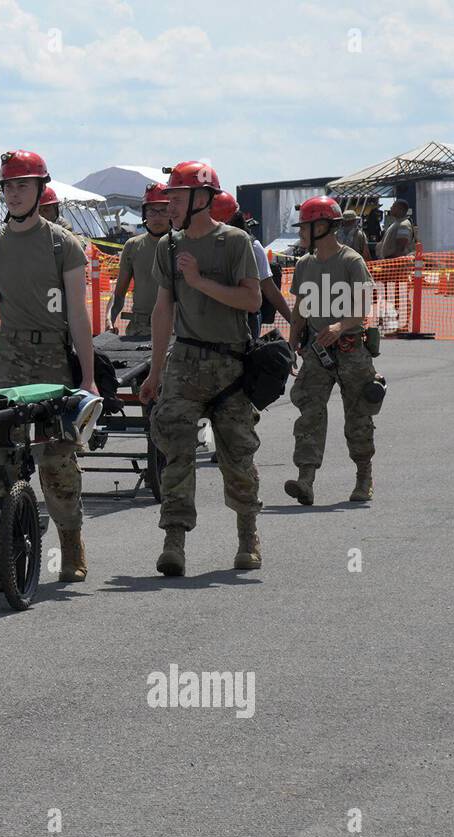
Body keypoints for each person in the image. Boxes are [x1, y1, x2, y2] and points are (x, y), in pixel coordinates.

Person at [0, 148, 97, 583]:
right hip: (8, 359)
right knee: (6, 462)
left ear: (41, 189)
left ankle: (71, 543)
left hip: (54, 361)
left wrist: (89, 379)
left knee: (56, 461)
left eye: (23, 185)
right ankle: (9, 556)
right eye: (8, 186)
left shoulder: (63, 244)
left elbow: (78, 314)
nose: (14, 193)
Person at [138, 161, 263, 576]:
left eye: (176, 198)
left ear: (202, 198)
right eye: (168, 198)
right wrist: (155, 372)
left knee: (237, 454)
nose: (169, 205)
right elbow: (162, 310)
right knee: (176, 450)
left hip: (230, 364)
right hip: (185, 363)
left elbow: (252, 302)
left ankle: (248, 536)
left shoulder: (235, 242)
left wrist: (200, 281)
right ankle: (174, 542)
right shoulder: (167, 247)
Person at [283, 196, 379, 505]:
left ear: (323, 227)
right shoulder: (304, 265)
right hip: (316, 353)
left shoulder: (352, 262)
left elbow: (363, 306)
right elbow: (300, 310)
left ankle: (364, 476)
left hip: (351, 349)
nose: (301, 233)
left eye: (306, 227)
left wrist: (340, 326)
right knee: (309, 413)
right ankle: (305, 480)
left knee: (358, 415)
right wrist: (290, 342)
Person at [212, 192, 290, 340]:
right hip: (214, 319)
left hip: (245, 319)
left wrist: (294, 322)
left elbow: (269, 288)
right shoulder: (203, 245)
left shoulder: (252, 246)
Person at [108, 182, 169, 337]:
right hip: (138, 328)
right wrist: (110, 318)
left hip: (173, 328)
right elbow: (119, 293)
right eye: (151, 211)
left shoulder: (184, 243)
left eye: (163, 211)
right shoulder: (133, 246)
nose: (157, 217)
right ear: (144, 214)